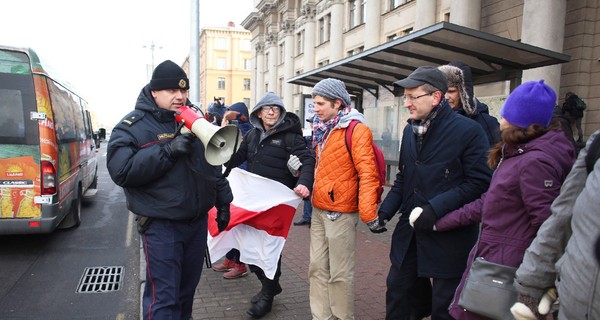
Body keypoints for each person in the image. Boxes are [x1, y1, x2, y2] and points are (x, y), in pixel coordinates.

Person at [432, 80, 576, 320]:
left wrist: (539, 283)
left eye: (507, 114)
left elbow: (549, 227)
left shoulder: (533, 162)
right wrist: (439, 221)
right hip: (496, 263)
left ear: (521, 121)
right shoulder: (518, 154)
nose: (501, 119)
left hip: (507, 272)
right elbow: (488, 203)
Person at [106, 60, 233, 319]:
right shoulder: (133, 126)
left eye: (183, 91)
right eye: (172, 91)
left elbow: (211, 166)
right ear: (154, 92)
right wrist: (166, 151)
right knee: (164, 299)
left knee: (186, 294)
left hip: (195, 224)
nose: (180, 96)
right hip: (162, 226)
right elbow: (122, 171)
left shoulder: (194, 120)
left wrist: (223, 201)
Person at [376, 66, 493, 320]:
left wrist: (435, 208)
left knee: (445, 307)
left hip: (449, 235)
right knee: (398, 292)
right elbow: (404, 177)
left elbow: (479, 183)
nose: (406, 103)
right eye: (404, 97)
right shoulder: (409, 130)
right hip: (411, 233)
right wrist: (385, 211)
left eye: (412, 97)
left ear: (436, 97)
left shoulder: (469, 132)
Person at [226, 91, 315, 318]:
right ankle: (272, 286)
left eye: (276, 108)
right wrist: (220, 156)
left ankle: (267, 296)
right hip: (254, 202)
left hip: (276, 204)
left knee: (269, 250)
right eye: (267, 108)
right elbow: (237, 158)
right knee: (249, 249)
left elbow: (307, 160)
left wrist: (304, 181)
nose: (272, 111)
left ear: (282, 112)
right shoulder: (253, 136)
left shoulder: (291, 137)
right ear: (259, 113)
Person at [308, 78, 383, 320]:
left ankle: (341, 317)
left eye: (320, 103)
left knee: (339, 274)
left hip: (341, 211)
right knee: (316, 269)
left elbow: (368, 172)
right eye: (314, 103)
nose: (315, 108)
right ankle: (321, 317)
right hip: (319, 209)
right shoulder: (322, 130)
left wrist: (369, 213)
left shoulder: (356, 129)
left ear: (337, 103)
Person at [510, 129, 600, 320]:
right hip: (573, 303)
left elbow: (540, 213)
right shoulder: (597, 143)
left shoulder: (536, 161)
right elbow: (562, 215)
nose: (502, 120)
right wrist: (533, 285)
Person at [211, 101, 254, 279]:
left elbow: (245, 129)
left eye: (233, 113)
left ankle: (240, 263)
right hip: (232, 181)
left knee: (238, 225)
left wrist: (238, 119)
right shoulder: (233, 128)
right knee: (230, 225)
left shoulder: (248, 130)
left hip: (244, 184)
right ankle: (230, 258)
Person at [438, 61, 500, 146]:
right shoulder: (430, 119)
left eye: (451, 91)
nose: (446, 97)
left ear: (464, 93)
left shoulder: (488, 123)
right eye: (442, 91)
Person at [294, 118, 315, 226]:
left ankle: (313, 218)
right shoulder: (308, 133)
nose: (311, 124)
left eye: (312, 122)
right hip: (308, 165)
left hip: (316, 165)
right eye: (310, 122)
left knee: (314, 193)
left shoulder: (322, 133)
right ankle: (307, 216)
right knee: (306, 193)